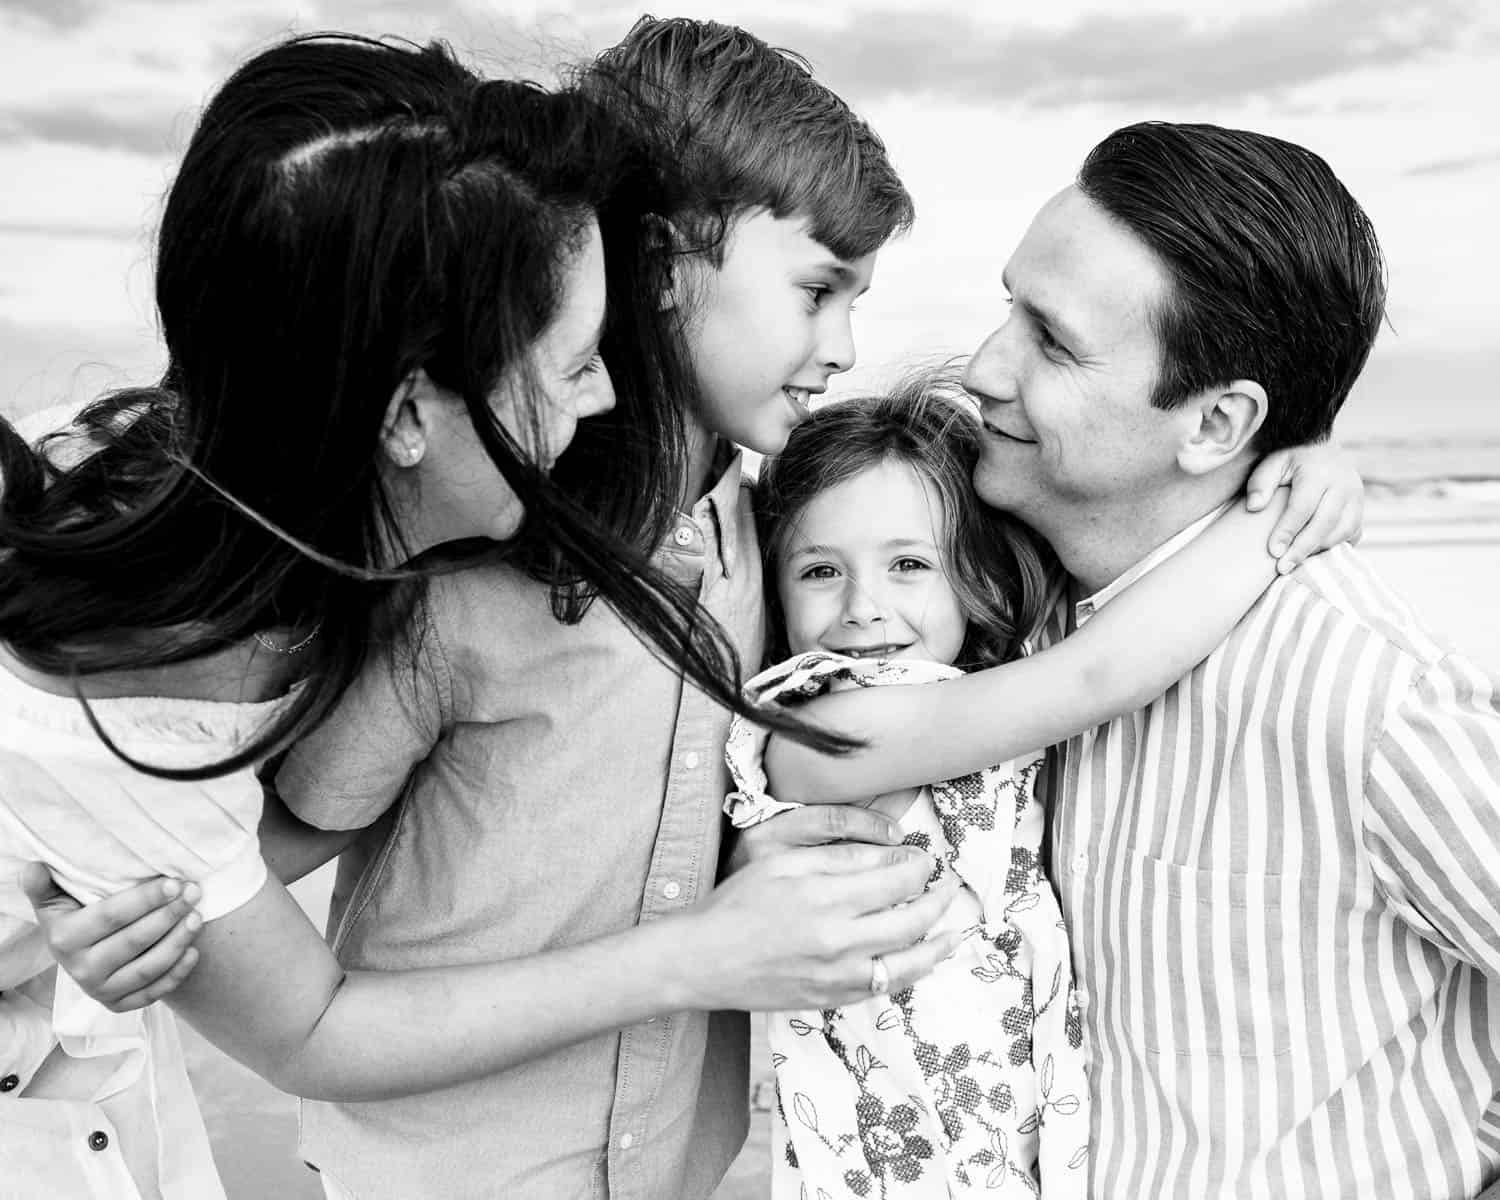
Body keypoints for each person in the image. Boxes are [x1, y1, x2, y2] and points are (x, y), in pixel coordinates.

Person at [15, 28, 1374, 1199]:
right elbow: (279, 846)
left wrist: (1294, 454)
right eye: (819, 289)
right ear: (660, 270)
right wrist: (142, 917)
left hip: (684, 1159)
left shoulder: (788, 524)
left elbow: (1052, 506)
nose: (845, 345)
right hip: (453, 1168)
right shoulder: (469, 562)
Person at [0, 31, 950, 1200]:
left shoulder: (741, 531)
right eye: (574, 360)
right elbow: (280, 947)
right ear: (407, 413)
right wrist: (99, 931)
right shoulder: (382, 598)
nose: (606, 393)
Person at [755, 123, 1500, 1198]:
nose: (984, 367)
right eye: (1008, 307)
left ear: (1219, 421)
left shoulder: (1365, 692)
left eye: (1052, 343)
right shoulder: (996, 618)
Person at [726, 376, 1370, 1197]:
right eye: (820, 570)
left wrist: (1311, 462)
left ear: (977, 576)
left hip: (1034, 1130)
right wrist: (1280, 519)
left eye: (909, 564)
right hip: (900, 1160)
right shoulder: (819, 733)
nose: (863, 607)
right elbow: (1100, 673)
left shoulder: (980, 683)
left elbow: (1122, 591)